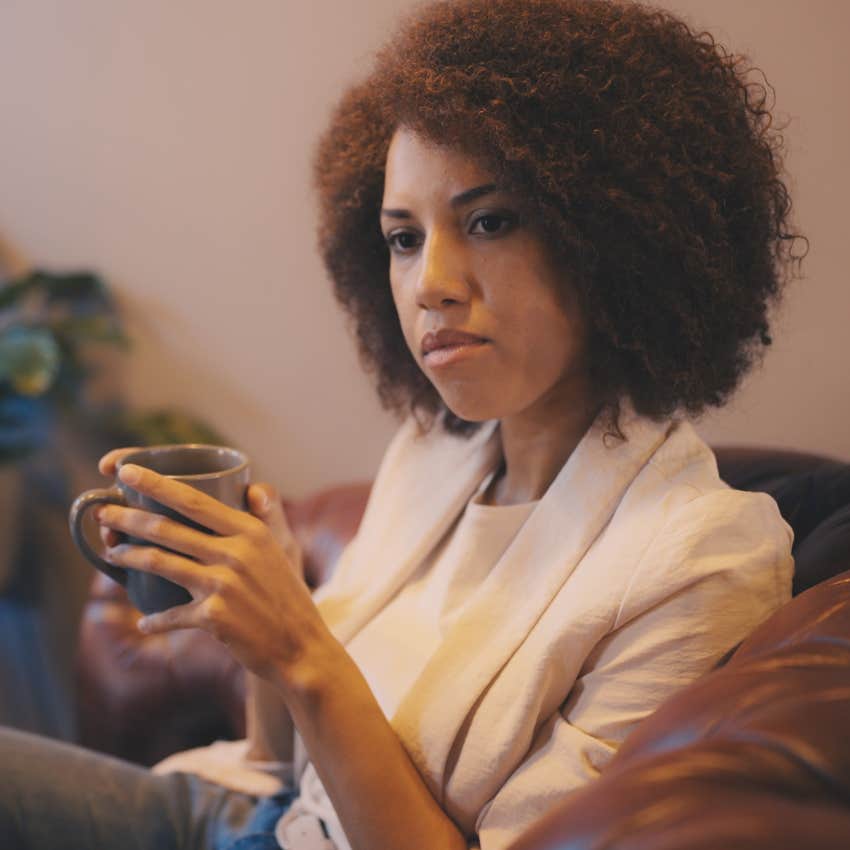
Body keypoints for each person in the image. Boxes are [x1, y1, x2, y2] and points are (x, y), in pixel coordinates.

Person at [1, 0, 806, 848]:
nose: (431, 283)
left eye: (489, 222)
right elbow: (280, 763)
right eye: (402, 238)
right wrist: (273, 616)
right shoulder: (433, 454)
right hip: (244, 821)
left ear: (617, 237)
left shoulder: (702, 563)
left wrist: (303, 646)